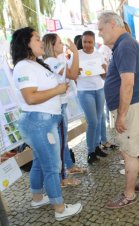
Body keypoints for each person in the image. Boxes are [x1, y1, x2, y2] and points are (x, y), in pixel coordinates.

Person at [11, 27, 82, 221]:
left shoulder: (36, 64)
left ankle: (37, 197)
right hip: (39, 122)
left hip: (43, 121)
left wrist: (58, 88)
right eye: (36, 39)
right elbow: (30, 97)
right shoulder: (23, 66)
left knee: (41, 163)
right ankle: (59, 208)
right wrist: (58, 89)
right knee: (52, 166)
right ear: (26, 43)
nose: (41, 42)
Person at [98, 11, 139, 209]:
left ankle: (129, 194)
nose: (100, 34)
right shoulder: (124, 44)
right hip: (137, 105)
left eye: (101, 29)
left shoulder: (125, 45)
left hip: (132, 108)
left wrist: (121, 116)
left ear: (112, 24)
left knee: (130, 153)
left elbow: (127, 83)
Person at [42, 33, 86, 186]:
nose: (63, 45)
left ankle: (68, 167)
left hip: (62, 104)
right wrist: (74, 51)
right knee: (60, 142)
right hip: (58, 106)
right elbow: (73, 74)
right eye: (59, 43)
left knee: (62, 140)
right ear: (52, 47)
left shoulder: (57, 59)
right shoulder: (51, 61)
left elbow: (72, 73)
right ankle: (62, 178)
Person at [77, 30, 109, 164]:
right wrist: (76, 71)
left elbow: (104, 76)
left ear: (94, 42)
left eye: (90, 42)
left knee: (100, 119)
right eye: (85, 42)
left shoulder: (98, 55)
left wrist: (104, 70)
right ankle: (90, 151)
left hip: (99, 89)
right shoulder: (77, 55)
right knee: (93, 121)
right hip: (85, 91)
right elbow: (72, 74)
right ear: (82, 41)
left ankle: (96, 147)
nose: (87, 45)